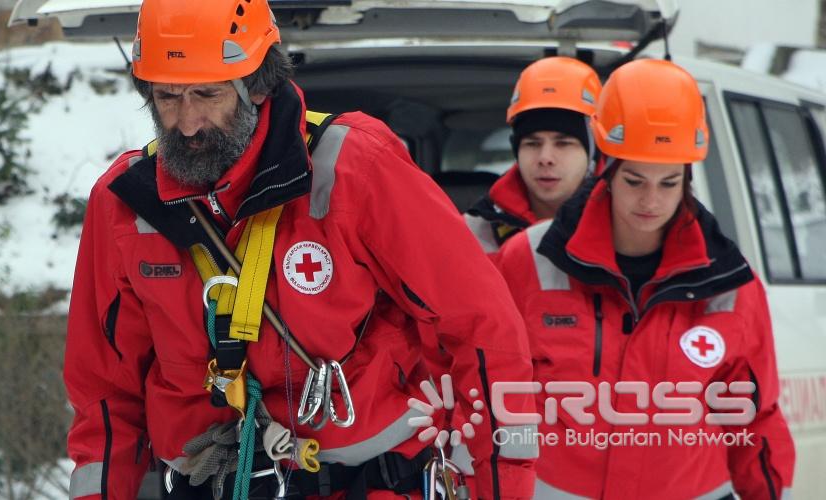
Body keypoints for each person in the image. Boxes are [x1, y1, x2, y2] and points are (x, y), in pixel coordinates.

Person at [63, 0, 537, 499]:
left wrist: (503, 484)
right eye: (167, 97)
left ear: (258, 85)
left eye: (207, 94)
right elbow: (104, 395)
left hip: (367, 483)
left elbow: (482, 329)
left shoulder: (355, 168)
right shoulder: (124, 204)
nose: (187, 123)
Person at [493, 59, 795, 499]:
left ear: (688, 178)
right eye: (635, 180)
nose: (651, 201)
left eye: (669, 183)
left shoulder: (732, 284)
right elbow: (493, 387)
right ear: (607, 166)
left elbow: (754, 418)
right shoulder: (529, 259)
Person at [465, 57, 602, 251]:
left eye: (563, 143)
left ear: (592, 153)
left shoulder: (629, 225)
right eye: (532, 143)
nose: (545, 158)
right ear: (516, 151)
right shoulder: (474, 233)